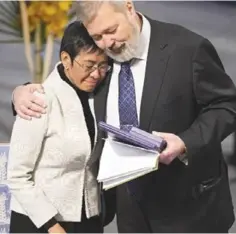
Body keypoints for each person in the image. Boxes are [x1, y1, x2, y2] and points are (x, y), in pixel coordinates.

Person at [11, 0, 236, 232]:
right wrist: (22, 93)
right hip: (129, 210)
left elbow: (226, 104)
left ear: (129, 8)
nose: (107, 42)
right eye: (97, 36)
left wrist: (185, 142)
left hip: (188, 209)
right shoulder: (102, 61)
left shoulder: (187, 48)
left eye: (111, 30)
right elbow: (68, 74)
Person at [7, 21, 114, 233]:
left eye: (103, 66)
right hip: (39, 222)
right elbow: (17, 176)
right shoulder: (37, 100)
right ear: (66, 59)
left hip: (88, 219)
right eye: (89, 65)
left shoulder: (102, 95)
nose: (96, 74)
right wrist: (51, 225)